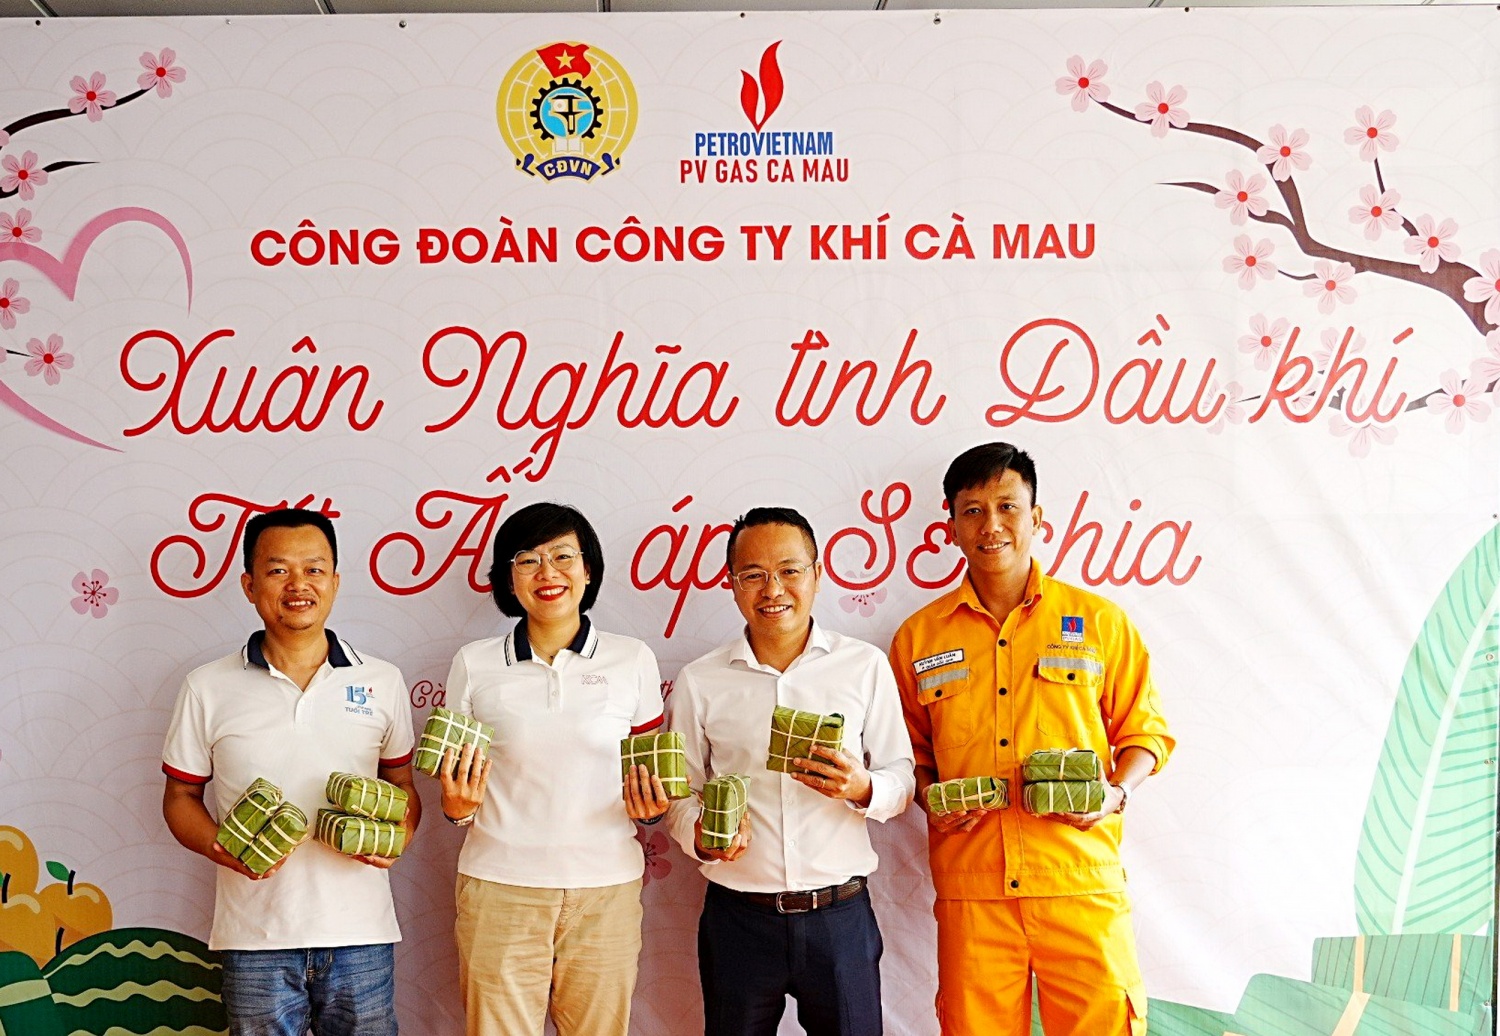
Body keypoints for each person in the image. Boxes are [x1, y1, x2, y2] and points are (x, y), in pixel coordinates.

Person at [888, 443, 1174, 1036]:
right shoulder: (918, 638)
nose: (990, 525)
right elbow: (906, 753)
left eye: (1007, 507)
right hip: (974, 892)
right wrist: (931, 799)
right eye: (972, 510)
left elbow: (1145, 732)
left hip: (1079, 881)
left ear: (1036, 518)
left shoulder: (1099, 622)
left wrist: (1115, 793)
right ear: (950, 526)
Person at [162, 507, 421, 1036]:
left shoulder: (382, 680)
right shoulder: (206, 686)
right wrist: (221, 847)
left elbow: (402, 786)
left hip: (360, 933)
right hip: (253, 936)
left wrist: (402, 834)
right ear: (249, 585)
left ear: (335, 582)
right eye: (278, 570)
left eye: (314, 569)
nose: (298, 584)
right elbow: (180, 796)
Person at [666, 506, 915, 1036]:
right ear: (732, 585)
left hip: (840, 917)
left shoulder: (864, 665)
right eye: (753, 575)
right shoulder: (699, 680)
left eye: (789, 570)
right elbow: (680, 793)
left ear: (817, 574)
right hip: (737, 919)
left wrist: (862, 787)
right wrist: (702, 838)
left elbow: (901, 775)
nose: (773, 589)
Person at [436, 502, 671, 1036]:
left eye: (563, 556)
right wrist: (456, 810)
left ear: (588, 570)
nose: (548, 573)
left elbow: (650, 778)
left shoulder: (632, 659)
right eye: (528, 560)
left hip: (606, 890)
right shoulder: (474, 663)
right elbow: (457, 783)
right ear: (508, 578)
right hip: (499, 887)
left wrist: (653, 811)